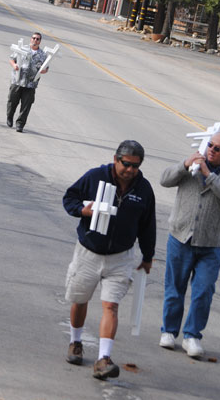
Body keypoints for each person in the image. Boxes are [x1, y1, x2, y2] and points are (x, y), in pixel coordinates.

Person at [63, 140, 156, 380]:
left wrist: (148, 255)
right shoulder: (95, 177)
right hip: (89, 251)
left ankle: (104, 359)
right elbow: (69, 198)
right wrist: (83, 210)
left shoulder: (143, 189)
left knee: (111, 305)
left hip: (121, 257)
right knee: (80, 300)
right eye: (126, 164)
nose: (130, 170)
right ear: (116, 159)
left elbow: (148, 225)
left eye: (135, 166)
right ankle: (75, 341)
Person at [159, 130, 220, 358]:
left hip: (210, 243)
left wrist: (209, 175)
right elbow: (164, 179)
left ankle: (192, 335)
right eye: (210, 146)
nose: (211, 151)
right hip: (180, 237)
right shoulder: (193, 163)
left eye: (217, 149)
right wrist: (184, 164)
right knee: (175, 287)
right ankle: (168, 331)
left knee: (203, 291)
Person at [6, 32, 48, 133]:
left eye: (38, 39)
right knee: (12, 101)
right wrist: (14, 66)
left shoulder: (42, 55)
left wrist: (44, 71)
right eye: (34, 38)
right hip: (17, 80)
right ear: (31, 39)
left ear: (40, 41)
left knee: (26, 105)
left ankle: (20, 124)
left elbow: (46, 68)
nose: (35, 40)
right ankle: (9, 117)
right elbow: (12, 59)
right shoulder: (22, 49)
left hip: (30, 84)